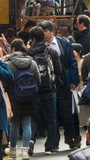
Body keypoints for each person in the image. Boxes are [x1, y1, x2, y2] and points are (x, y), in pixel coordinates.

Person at [39, 20, 79, 149]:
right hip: (47, 83)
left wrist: (73, 80)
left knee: (66, 112)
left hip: (63, 80)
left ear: (52, 31)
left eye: (45, 31)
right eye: (42, 31)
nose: (44, 34)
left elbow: (72, 62)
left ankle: (70, 138)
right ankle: (54, 142)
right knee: (52, 113)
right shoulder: (39, 46)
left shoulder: (64, 42)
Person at [27, 26, 62, 155]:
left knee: (33, 118)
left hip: (34, 90)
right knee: (51, 119)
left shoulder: (29, 53)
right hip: (50, 90)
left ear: (33, 39)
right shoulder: (51, 51)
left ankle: (30, 140)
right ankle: (50, 146)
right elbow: (59, 71)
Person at [5, 39, 40, 160]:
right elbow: (38, 80)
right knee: (27, 124)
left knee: (13, 125)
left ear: (13, 49)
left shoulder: (9, 64)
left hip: (14, 97)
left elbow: (5, 82)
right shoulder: (32, 62)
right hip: (30, 97)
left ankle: (13, 150)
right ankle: (25, 151)